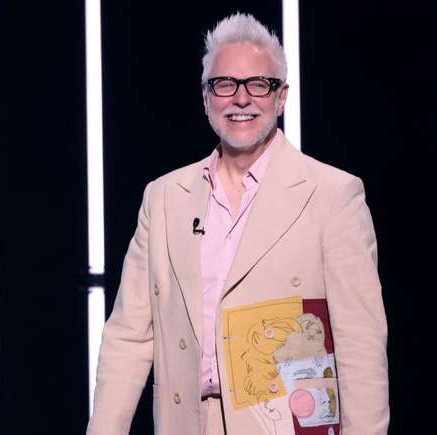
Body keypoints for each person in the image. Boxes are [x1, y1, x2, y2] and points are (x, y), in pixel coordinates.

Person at [87, 13, 389, 435]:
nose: (241, 99)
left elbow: (360, 345)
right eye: (225, 84)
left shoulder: (332, 196)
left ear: (281, 97)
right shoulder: (164, 198)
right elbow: (128, 338)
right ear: (206, 96)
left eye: (258, 84)